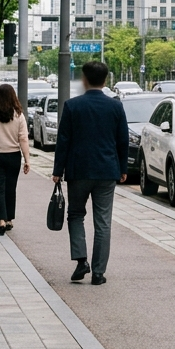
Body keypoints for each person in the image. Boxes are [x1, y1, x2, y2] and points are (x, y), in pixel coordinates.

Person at [53, 60, 129, 286]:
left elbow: (63, 141)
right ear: (105, 80)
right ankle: (98, 273)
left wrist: (58, 170)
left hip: (78, 170)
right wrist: (123, 168)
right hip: (107, 171)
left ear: (84, 80)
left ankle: (80, 261)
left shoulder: (72, 106)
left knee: (76, 215)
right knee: (103, 222)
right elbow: (122, 141)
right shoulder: (115, 107)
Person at [0, 83, 30, 235]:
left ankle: (1, 220)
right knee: (10, 188)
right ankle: (9, 219)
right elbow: (23, 139)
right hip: (13, 156)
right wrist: (27, 159)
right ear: (13, 97)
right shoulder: (19, 115)